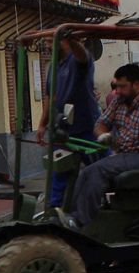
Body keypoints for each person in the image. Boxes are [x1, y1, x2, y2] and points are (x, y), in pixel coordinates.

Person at [67, 64, 139, 227]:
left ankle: (80, 221)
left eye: (122, 86)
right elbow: (100, 124)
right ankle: (71, 215)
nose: (117, 91)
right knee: (85, 172)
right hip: (124, 154)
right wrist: (104, 135)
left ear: (136, 84)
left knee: (98, 170)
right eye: (116, 86)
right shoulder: (120, 101)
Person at [36, 35, 100, 207]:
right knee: (58, 171)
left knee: (101, 168)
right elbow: (51, 97)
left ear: (64, 41)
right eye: (47, 41)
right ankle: (54, 212)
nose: (48, 46)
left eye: (51, 41)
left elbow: (82, 56)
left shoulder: (78, 60)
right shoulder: (54, 67)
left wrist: (72, 40)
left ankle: (103, 204)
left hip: (87, 128)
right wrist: (43, 124)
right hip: (63, 130)